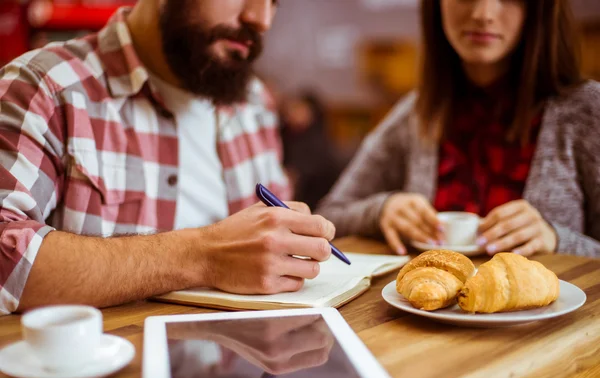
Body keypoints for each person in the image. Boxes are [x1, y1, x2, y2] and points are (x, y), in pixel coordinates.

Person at [0, 0, 337, 315]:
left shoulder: (254, 103)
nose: (261, 19)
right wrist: (203, 256)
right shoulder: (43, 87)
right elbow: (5, 256)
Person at [318, 0, 600, 258]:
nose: (482, 14)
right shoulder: (416, 113)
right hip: (425, 311)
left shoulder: (587, 110)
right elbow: (329, 215)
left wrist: (556, 238)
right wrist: (381, 211)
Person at [280, 92, 342, 210]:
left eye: (298, 108)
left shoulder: (318, 140)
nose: (292, 113)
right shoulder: (286, 135)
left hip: (315, 201)